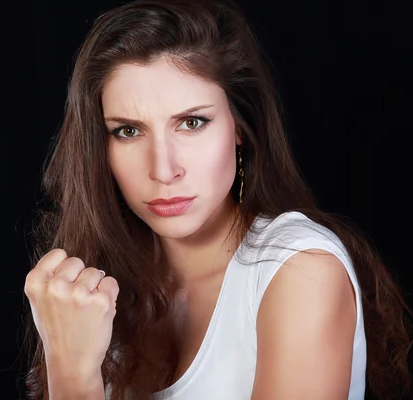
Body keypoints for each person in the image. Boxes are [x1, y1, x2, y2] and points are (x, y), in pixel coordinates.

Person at [22, 0, 412, 399]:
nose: (163, 169)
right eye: (128, 131)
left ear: (239, 126)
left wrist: (71, 373)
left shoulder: (299, 270)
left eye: (192, 123)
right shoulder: (98, 293)